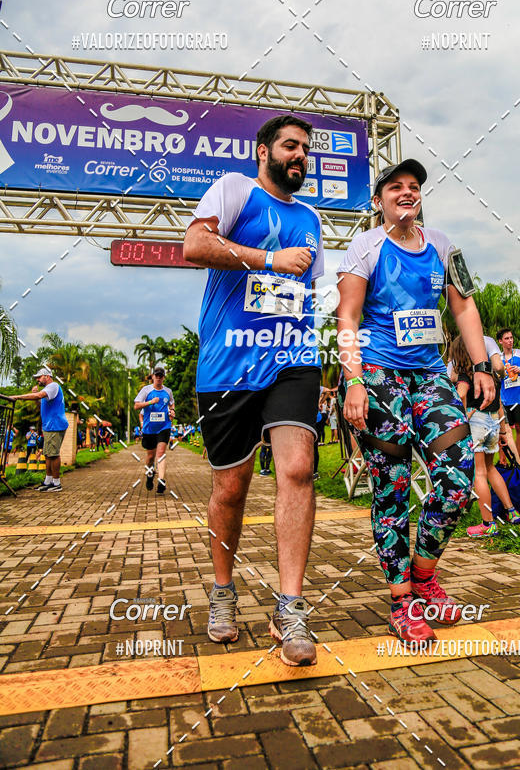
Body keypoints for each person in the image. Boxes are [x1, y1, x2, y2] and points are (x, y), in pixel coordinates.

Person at [183, 114, 324, 666]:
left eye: (306, 149)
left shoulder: (311, 218)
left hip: (292, 361)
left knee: (297, 468)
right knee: (231, 488)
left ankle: (290, 607)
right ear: (263, 150)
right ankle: (223, 591)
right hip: (228, 366)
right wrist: (269, 260)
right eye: (290, 146)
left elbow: (307, 294)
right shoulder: (235, 189)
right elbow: (195, 244)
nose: (300, 156)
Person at [337, 158, 494, 644]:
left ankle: (424, 574)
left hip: (429, 375)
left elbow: (464, 306)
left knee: (457, 477)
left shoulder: (443, 246)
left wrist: (482, 364)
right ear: (379, 200)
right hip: (379, 374)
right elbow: (347, 316)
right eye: (396, 188)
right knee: (393, 486)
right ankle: (401, 599)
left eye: (414, 187)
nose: (407, 193)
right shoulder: (366, 246)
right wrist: (355, 380)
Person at [450, 336, 520, 537]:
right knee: (491, 469)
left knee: (479, 473)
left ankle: (488, 523)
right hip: (492, 421)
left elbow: (462, 393)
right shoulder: (490, 375)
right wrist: (501, 431)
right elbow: (499, 404)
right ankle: (512, 511)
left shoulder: (466, 374)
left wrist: (461, 416)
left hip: (476, 422)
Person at [9, 369, 69, 492]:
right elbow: (41, 403)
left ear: (47, 376)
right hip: (49, 426)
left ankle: (56, 483)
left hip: (55, 425)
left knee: (53, 454)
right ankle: (48, 481)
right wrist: (37, 398)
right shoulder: (48, 390)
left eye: (39, 377)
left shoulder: (53, 386)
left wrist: (17, 397)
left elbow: (38, 395)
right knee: (47, 454)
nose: (37, 379)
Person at [134, 367, 175, 495]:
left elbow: (171, 404)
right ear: (152, 377)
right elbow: (136, 405)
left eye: (161, 376)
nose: (158, 377)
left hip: (164, 427)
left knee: (161, 453)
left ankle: (161, 481)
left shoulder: (168, 391)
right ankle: (150, 475)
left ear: (163, 377)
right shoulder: (146, 390)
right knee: (151, 456)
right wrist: (150, 402)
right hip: (149, 429)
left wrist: (172, 411)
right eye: (156, 375)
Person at [497, 328, 520, 457]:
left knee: (519, 428)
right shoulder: (497, 358)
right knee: (504, 431)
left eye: (511, 338)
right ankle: (505, 459)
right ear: (500, 341)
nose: (510, 341)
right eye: (506, 338)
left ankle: (516, 459)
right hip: (504, 399)